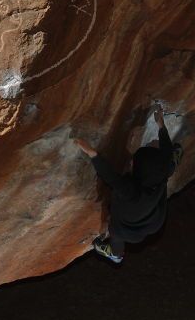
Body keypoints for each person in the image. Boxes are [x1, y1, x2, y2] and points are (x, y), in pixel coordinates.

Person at [74, 105, 182, 264]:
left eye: (134, 162)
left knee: (115, 233)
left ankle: (115, 254)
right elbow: (165, 153)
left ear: (135, 168)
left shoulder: (130, 191)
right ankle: (175, 159)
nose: (153, 142)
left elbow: (110, 177)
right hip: (154, 221)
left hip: (127, 231)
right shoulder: (161, 171)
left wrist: (92, 153)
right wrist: (161, 125)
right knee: (168, 164)